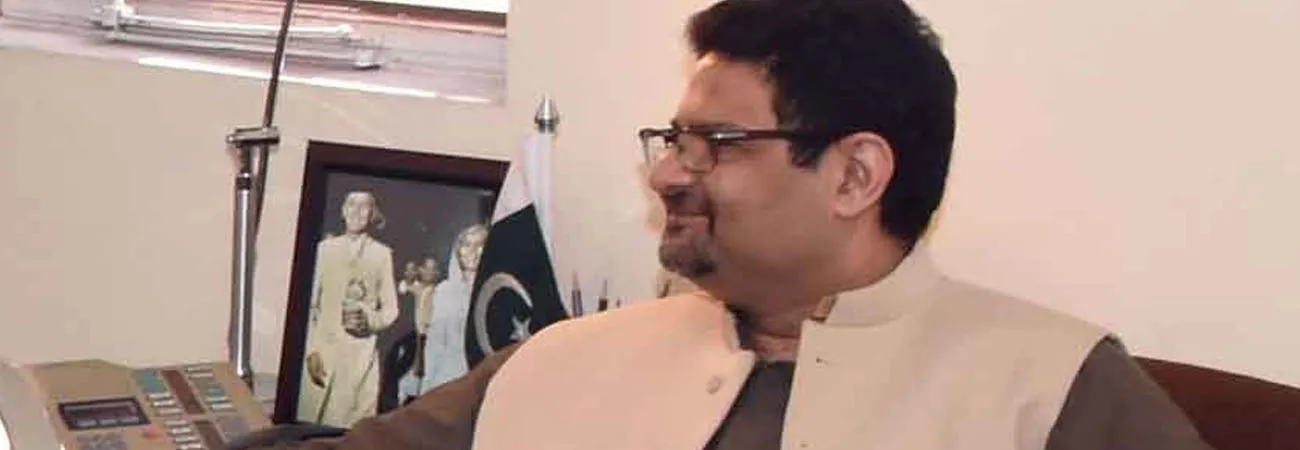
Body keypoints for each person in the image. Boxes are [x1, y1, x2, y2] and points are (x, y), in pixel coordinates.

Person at [261, 1, 1212, 449]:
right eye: (672, 139)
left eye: (715, 143)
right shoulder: (565, 360)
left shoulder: (1051, 389)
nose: (668, 173)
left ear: (855, 175)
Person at [298, 191, 400, 428]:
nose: (357, 211)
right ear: (343, 211)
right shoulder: (325, 249)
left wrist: (370, 321)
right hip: (322, 354)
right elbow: (309, 305)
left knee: (351, 427)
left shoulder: (382, 254)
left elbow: (391, 309)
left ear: (372, 214)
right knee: (309, 424)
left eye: (364, 207)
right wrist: (311, 350)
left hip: (359, 357)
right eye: (352, 205)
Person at [419, 224, 488, 390]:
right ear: (458, 250)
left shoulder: (491, 290)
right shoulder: (444, 291)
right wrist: (427, 385)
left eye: (480, 245)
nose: (472, 250)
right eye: (467, 244)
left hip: (483, 372)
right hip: (449, 375)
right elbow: (435, 342)